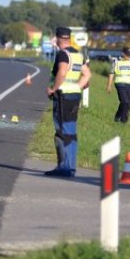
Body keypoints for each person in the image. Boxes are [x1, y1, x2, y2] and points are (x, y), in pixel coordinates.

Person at [45, 26, 91, 177]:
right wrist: (77, 86)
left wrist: (54, 89)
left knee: (62, 131)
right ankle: (71, 167)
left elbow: (62, 72)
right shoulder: (77, 55)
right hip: (74, 96)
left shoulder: (63, 54)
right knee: (71, 131)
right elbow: (87, 74)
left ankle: (63, 167)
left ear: (58, 38)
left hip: (63, 96)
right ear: (69, 38)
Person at [106, 46, 130, 123]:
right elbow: (111, 73)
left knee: (128, 105)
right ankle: (122, 120)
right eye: (127, 54)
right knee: (125, 102)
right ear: (123, 53)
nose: (128, 56)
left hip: (129, 84)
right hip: (119, 83)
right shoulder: (116, 61)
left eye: (129, 55)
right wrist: (109, 85)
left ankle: (121, 118)